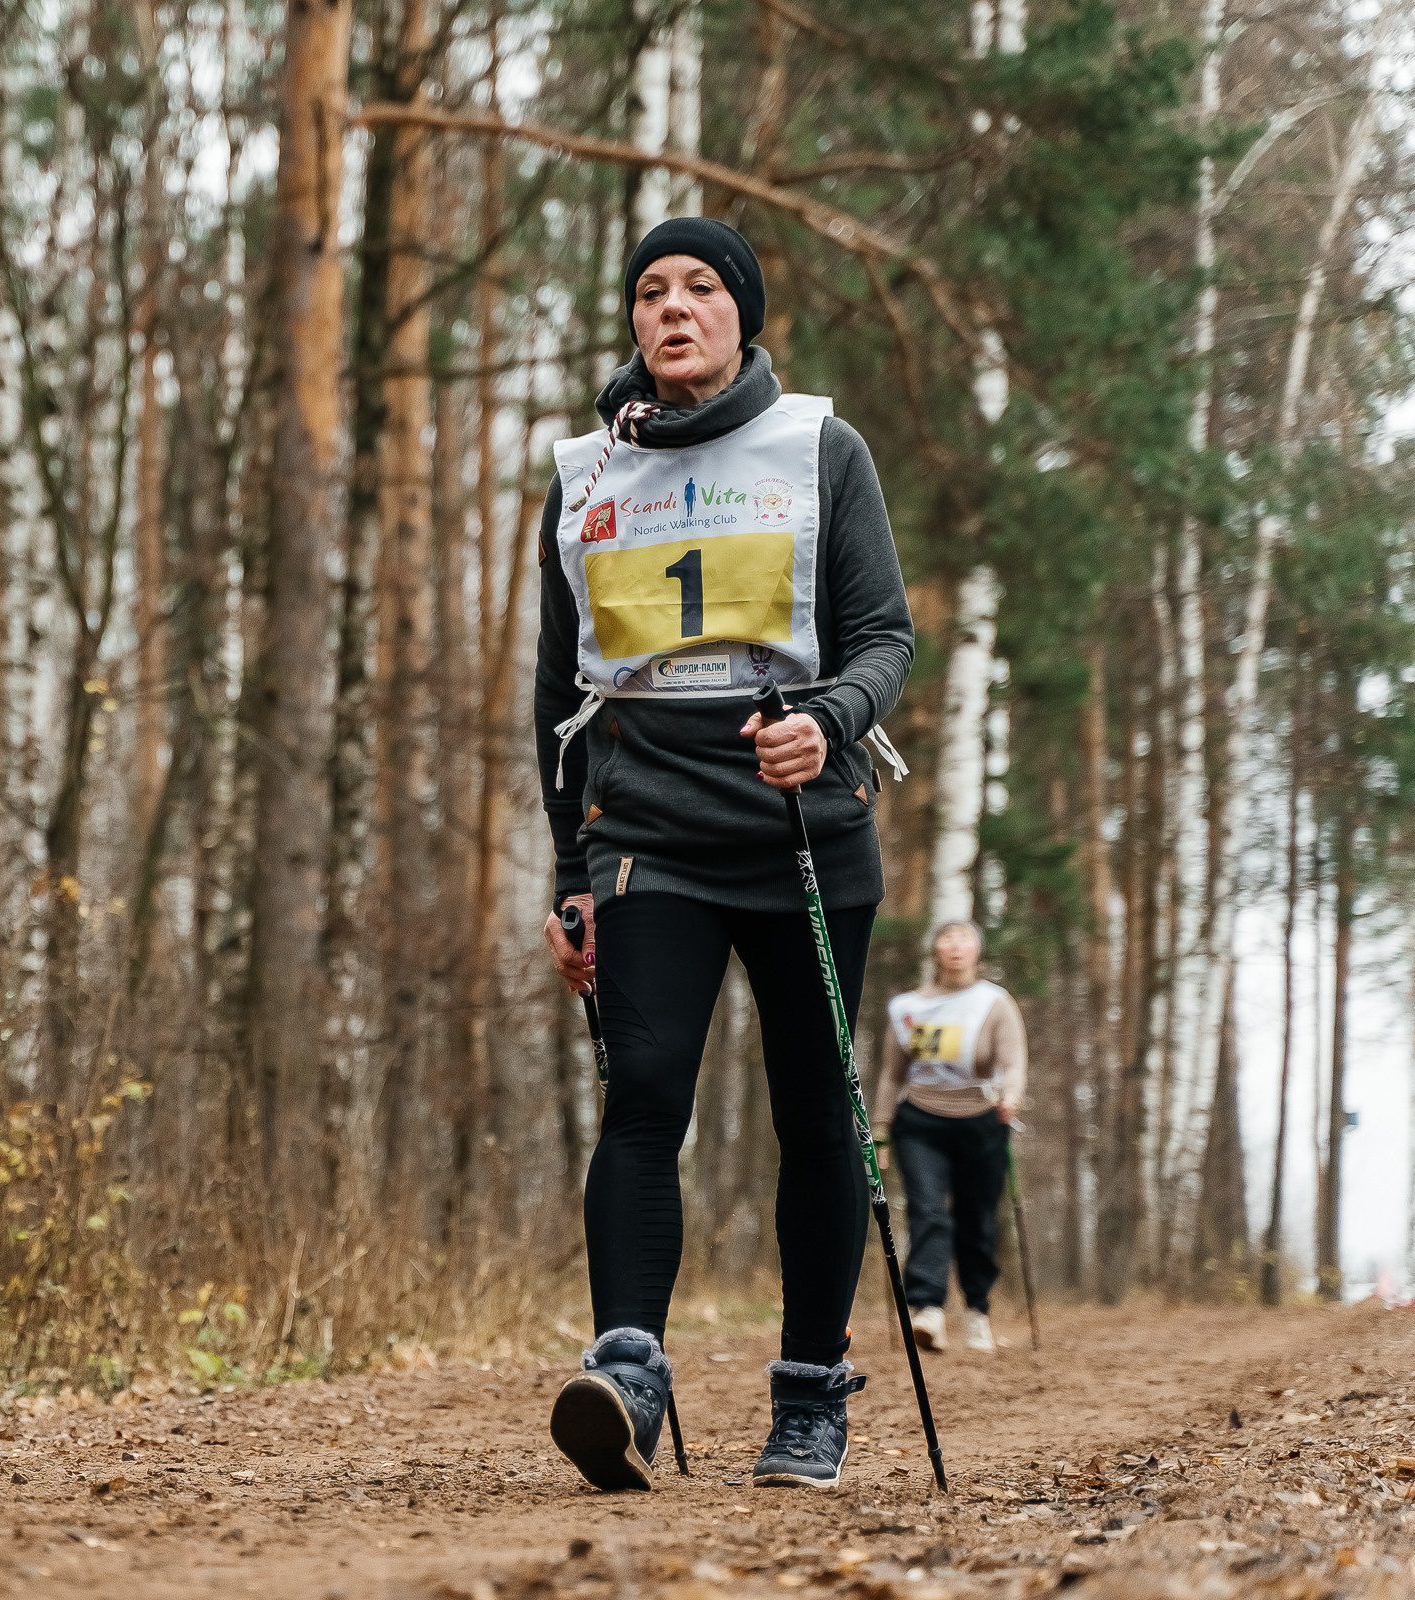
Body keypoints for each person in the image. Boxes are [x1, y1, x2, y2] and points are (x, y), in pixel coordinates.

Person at [535, 216, 913, 1494]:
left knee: (816, 1114)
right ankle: (627, 1376)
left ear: (742, 315)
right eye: (651, 290)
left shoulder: (819, 446)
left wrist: (827, 719)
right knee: (645, 1094)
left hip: (801, 826)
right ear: (632, 321)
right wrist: (565, 875)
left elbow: (884, 637)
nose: (674, 308)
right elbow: (557, 693)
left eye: (702, 287)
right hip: (645, 826)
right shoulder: (582, 474)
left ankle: (811, 1396)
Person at [872, 921, 1027, 1355]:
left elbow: (1013, 1063)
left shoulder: (994, 1003)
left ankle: (977, 1310)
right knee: (928, 1211)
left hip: (981, 1118)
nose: (955, 945)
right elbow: (891, 1073)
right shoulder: (906, 1006)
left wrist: (1012, 1096)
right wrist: (880, 1129)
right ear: (935, 949)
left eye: (965, 937)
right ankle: (928, 1309)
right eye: (946, 937)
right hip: (920, 1120)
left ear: (977, 949)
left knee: (978, 1219)